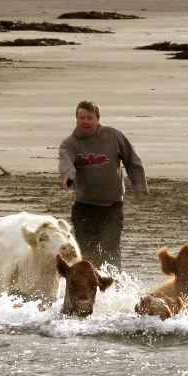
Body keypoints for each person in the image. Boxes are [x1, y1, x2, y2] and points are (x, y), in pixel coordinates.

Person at [59, 100, 148, 271]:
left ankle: (114, 288)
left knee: (110, 251)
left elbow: (133, 161)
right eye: (81, 117)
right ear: (76, 119)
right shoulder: (69, 143)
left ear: (97, 119)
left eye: (89, 118)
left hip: (112, 207)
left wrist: (140, 187)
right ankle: (91, 288)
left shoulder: (113, 136)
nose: (85, 121)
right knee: (87, 253)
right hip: (84, 207)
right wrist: (69, 177)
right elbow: (66, 163)